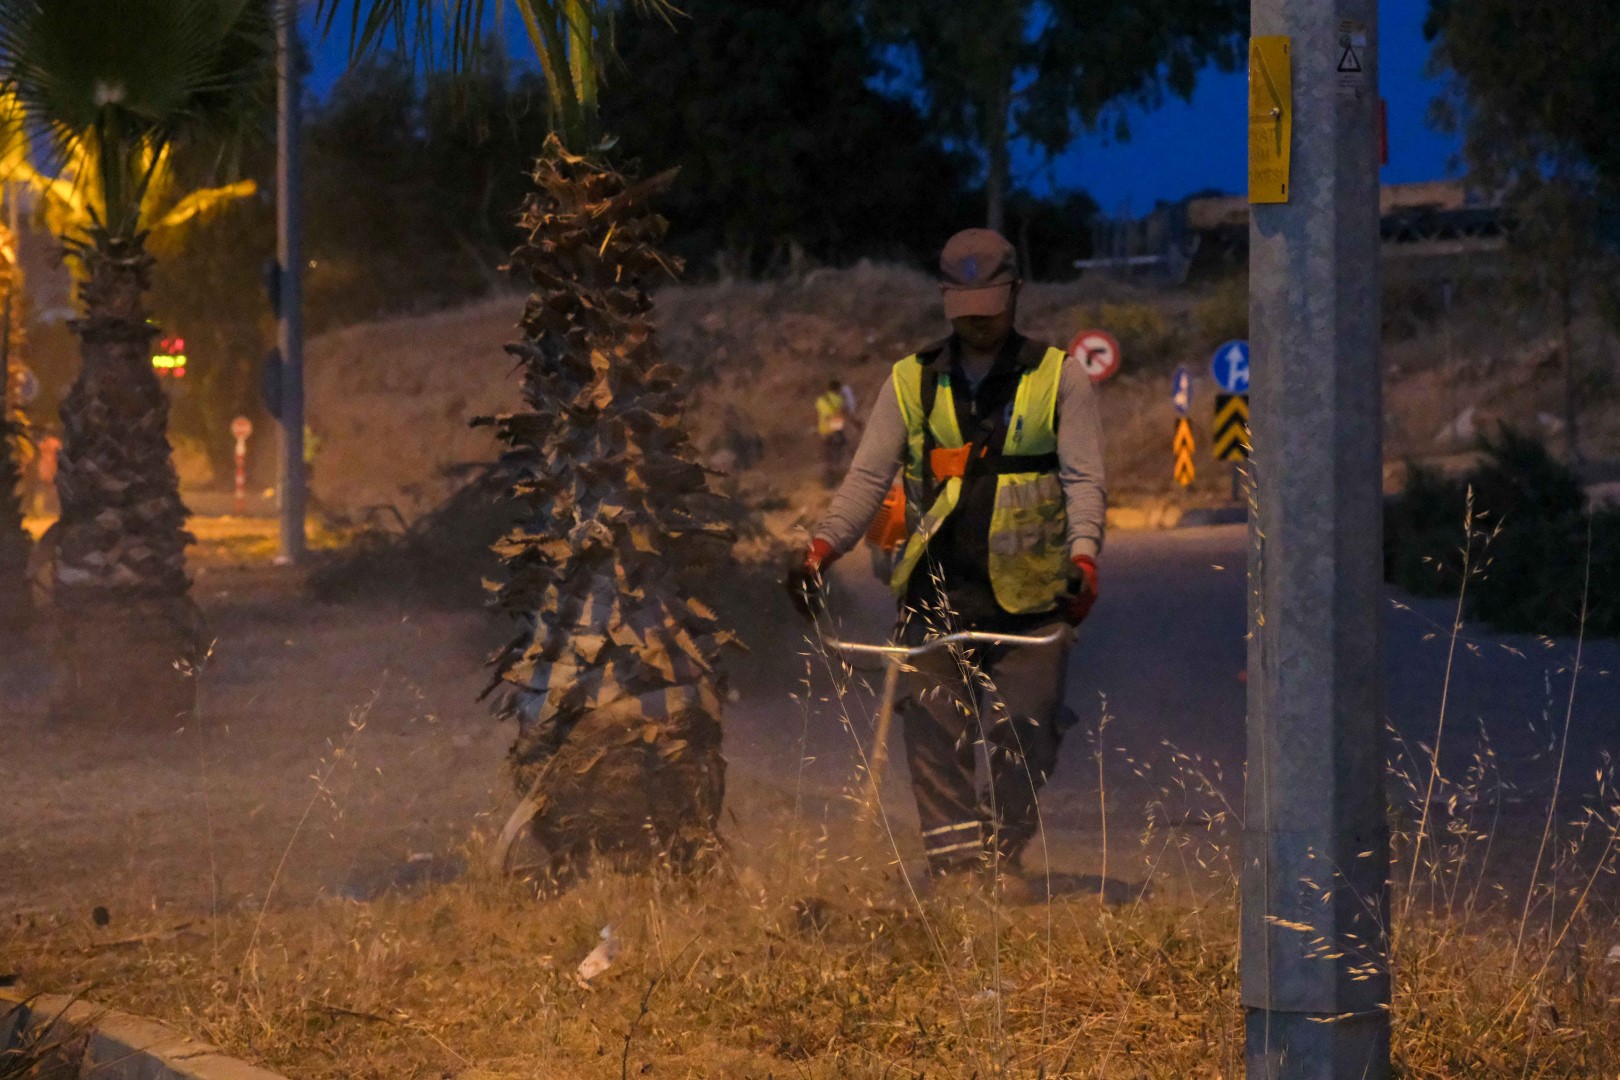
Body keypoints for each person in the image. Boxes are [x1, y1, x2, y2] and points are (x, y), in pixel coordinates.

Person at [788, 228, 1107, 887]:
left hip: (1031, 599)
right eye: (966, 310)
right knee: (931, 723)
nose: (980, 323)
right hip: (935, 594)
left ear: (1016, 294)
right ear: (945, 301)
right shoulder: (910, 383)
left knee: (1026, 729)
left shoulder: (1059, 379)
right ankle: (960, 873)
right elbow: (866, 482)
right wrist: (820, 550)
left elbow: (1084, 482)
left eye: (991, 307)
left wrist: (1085, 558)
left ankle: (1001, 848)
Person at [814, 378, 852, 488]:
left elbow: (817, 415)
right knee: (837, 456)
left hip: (824, 432)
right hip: (836, 431)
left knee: (826, 457)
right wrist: (857, 423)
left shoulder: (821, 400)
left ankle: (826, 481)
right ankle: (835, 479)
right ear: (838, 389)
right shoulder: (839, 400)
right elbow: (846, 413)